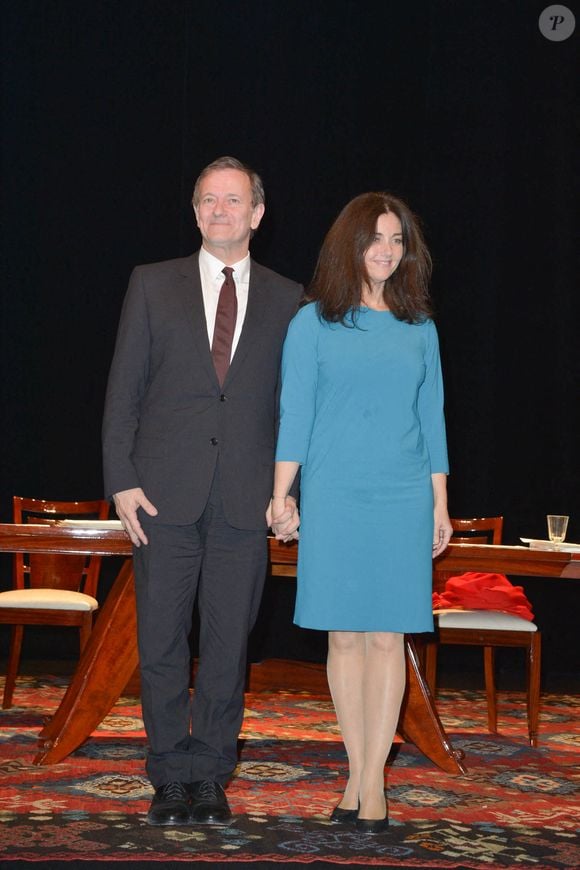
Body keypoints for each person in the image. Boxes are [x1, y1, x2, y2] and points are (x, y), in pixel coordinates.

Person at [103, 156, 302, 826]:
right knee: (159, 641)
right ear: (195, 212)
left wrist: (289, 491)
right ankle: (168, 774)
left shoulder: (288, 296)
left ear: (257, 213)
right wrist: (121, 480)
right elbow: (122, 390)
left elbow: (293, 407)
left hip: (246, 501)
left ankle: (210, 773)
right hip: (161, 499)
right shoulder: (151, 285)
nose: (221, 210)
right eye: (208, 200)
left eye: (234, 199)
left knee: (226, 644)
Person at [268, 192, 452, 834]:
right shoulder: (312, 323)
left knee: (387, 638)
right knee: (344, 637)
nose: (386, 249)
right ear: (349, 245)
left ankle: (368, 786)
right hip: (336, 494)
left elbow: (432, 421)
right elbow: (296, 415)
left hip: (402, 497)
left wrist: (440, 506)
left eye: (397, 239)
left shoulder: (419, 327)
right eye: (375, 237)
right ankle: (361, 771)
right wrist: (281, 493)